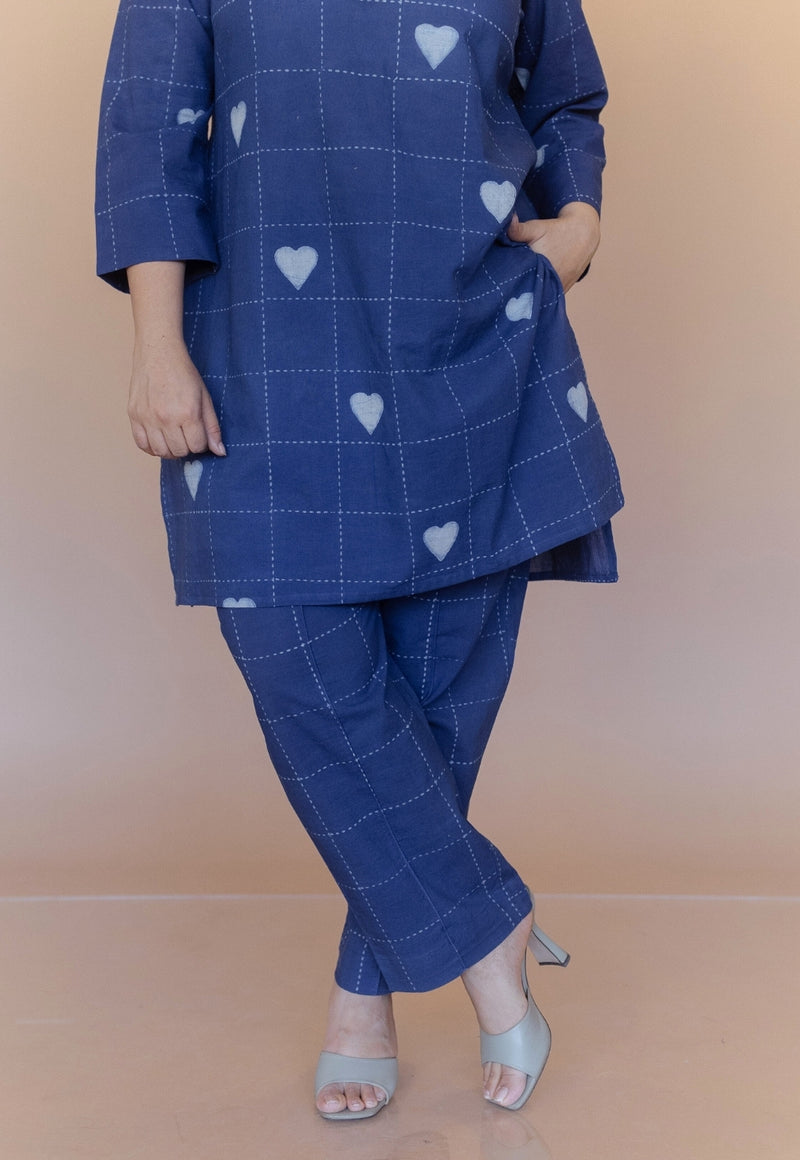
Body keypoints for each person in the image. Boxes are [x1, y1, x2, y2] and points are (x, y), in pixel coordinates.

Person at [96, 0, 623, 1120]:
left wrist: (578, 224)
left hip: (472, 349)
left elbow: (565, 96)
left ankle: (361, 995)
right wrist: (155, 346)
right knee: (299, 659)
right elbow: (147, 132)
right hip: (262, 350)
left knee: (435, 704)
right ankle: (491, 927)